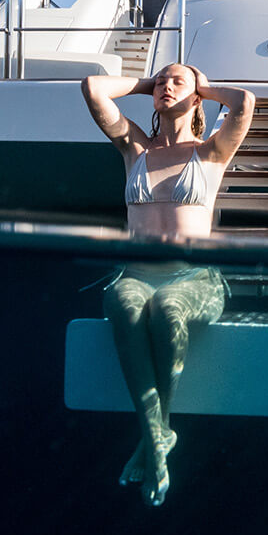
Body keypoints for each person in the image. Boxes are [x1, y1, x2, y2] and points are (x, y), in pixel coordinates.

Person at [80, 63, 256, 505]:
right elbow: (93, 89)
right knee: (123, 303)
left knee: (169, 310)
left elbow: (244, 103)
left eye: (176, 80)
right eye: (160, 80)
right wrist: (147, 85)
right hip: (137, 273)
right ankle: (157, 433)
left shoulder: (212, 151)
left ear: (196, 94)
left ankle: (152, 437)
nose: (164, 85)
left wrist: (204, 86)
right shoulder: (135, 147)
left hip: (194, 276)